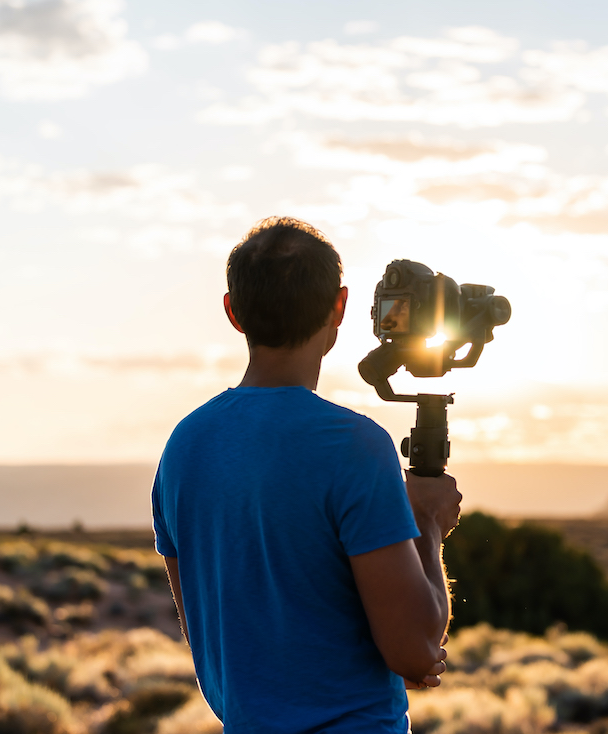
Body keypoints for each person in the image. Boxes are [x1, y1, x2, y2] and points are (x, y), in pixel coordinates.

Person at [151, 216, 462, 733]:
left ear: (233, 312)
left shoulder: (184, 446)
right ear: (339, 306)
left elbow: (215, 629)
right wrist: (427, 522)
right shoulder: (353, 447)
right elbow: (416, 652)